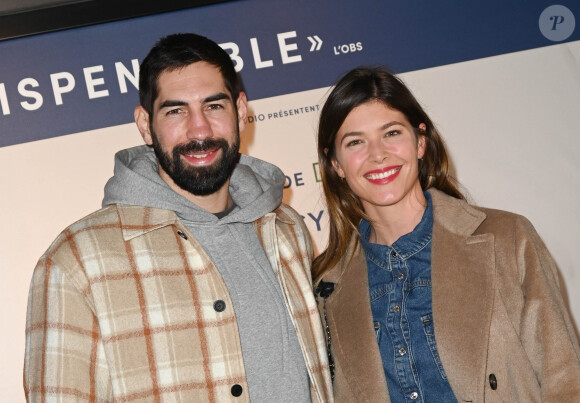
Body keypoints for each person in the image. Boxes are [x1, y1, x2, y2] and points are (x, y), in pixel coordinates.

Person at [24, 33, 332, 403]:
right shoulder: (77, 260)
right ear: (144, 124)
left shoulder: (286, 228)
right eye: (175, 111)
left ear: (241, 109)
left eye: (214, 106)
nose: (199, 130)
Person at [313, 66, 580, 402]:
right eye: (355, 142)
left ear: (420, 142)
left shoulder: (506, 238)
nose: (377, 153)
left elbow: (566, 379)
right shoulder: (326, 288)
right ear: (335, 164)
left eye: (392, 133)